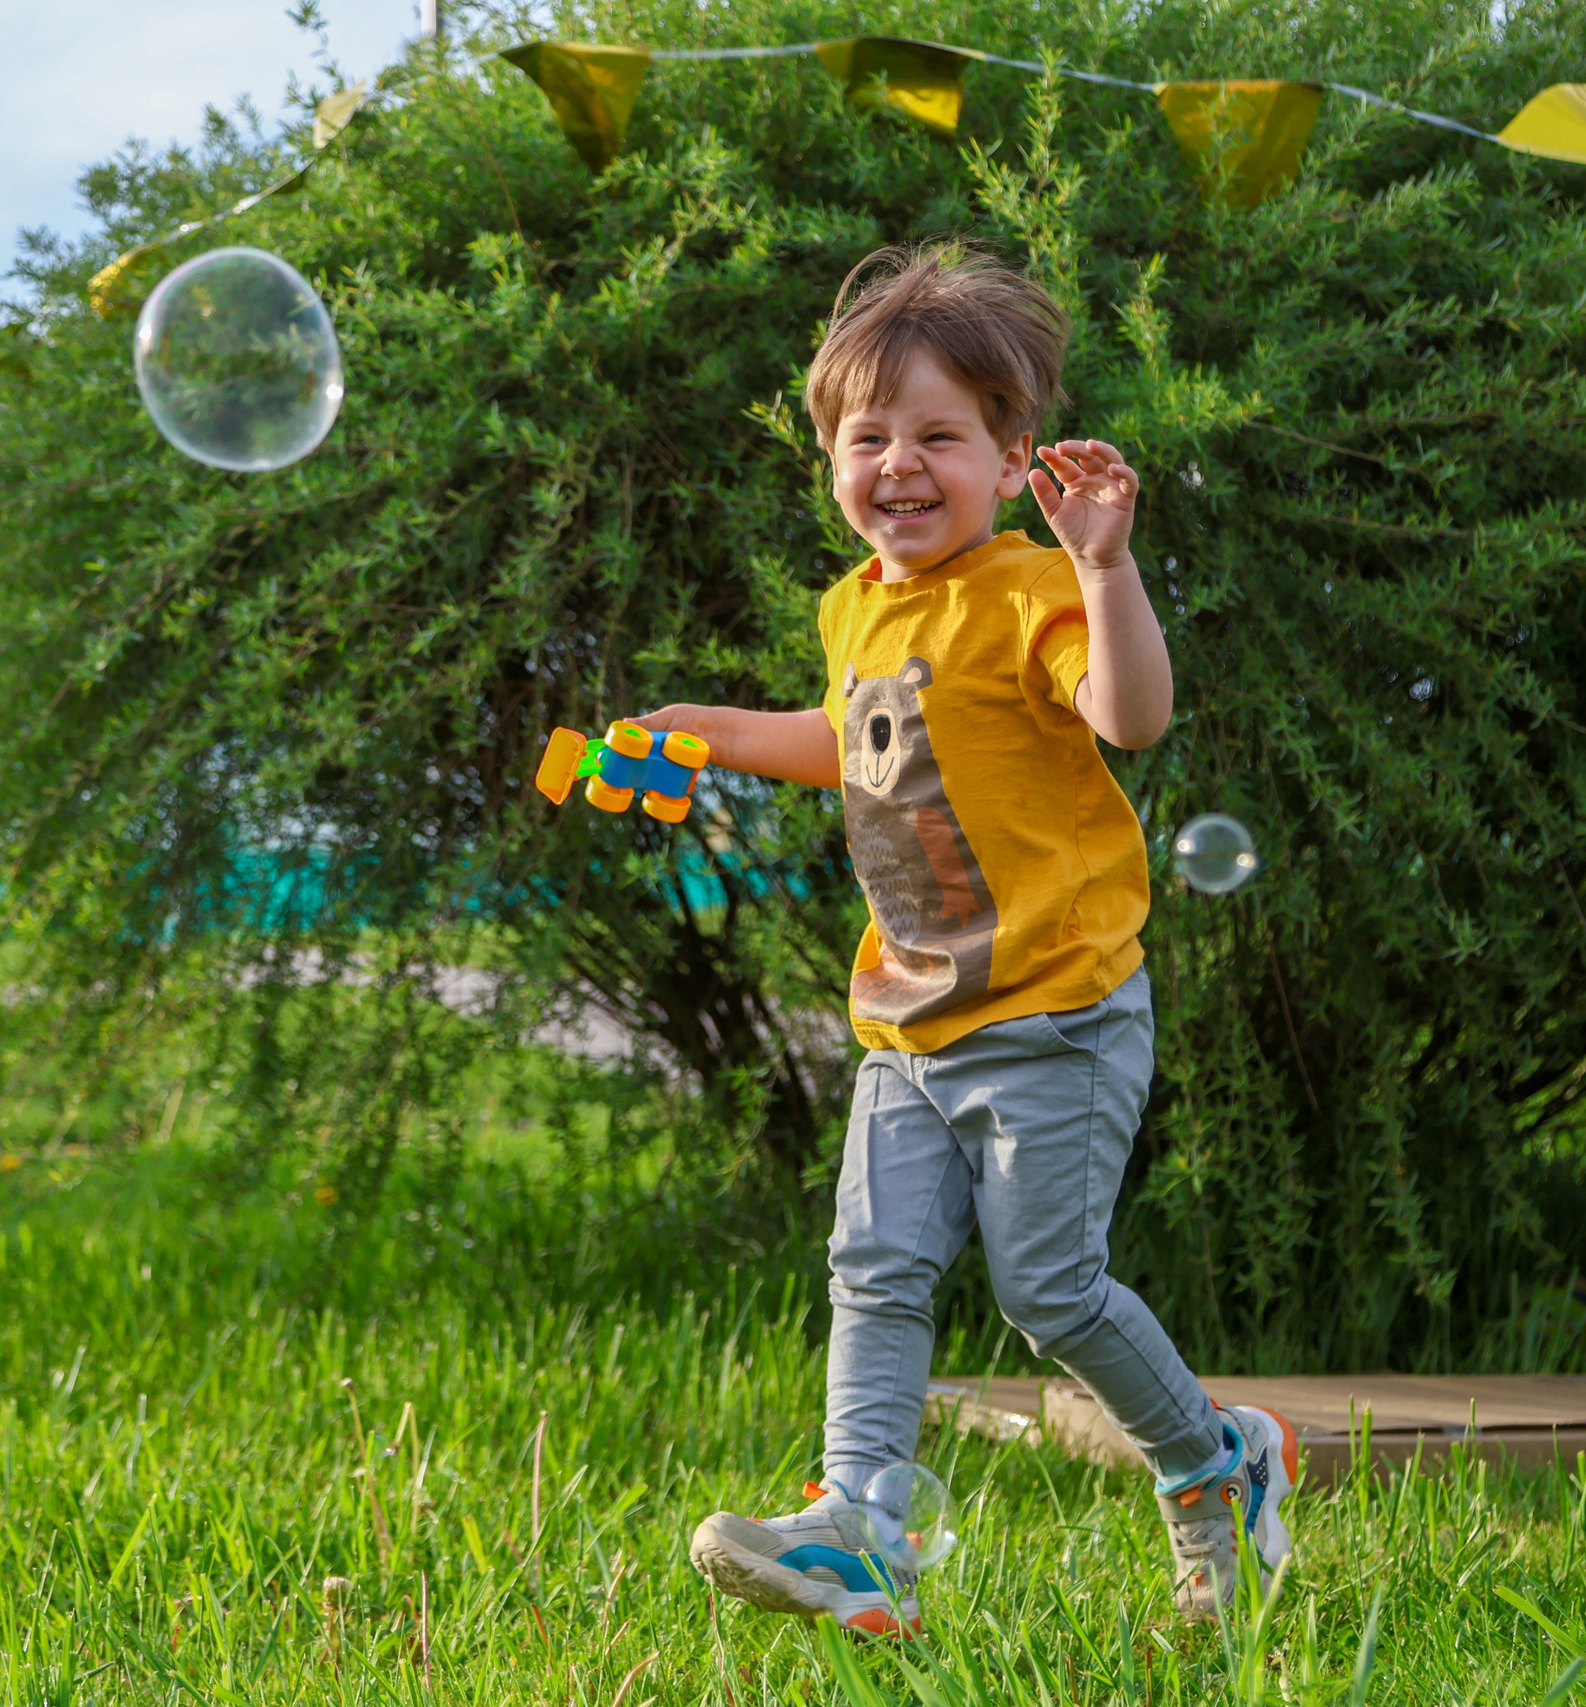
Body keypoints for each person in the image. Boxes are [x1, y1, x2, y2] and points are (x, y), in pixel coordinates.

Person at [627, 242, 1297, 1632]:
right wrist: (712, 732)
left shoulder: (1032, 589)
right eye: (868, 437)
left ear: (1010, 461)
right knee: (873, 1272)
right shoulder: (855, 605)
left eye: (939, 436)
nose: (901, 464)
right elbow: (857, 741)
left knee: (1051, 1293)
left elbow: (1131, 717)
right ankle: (862, 1529)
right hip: (910, 1018)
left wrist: (1104, 567)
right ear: (830, 460)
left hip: (1054, 1014)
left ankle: (1214, 1464)